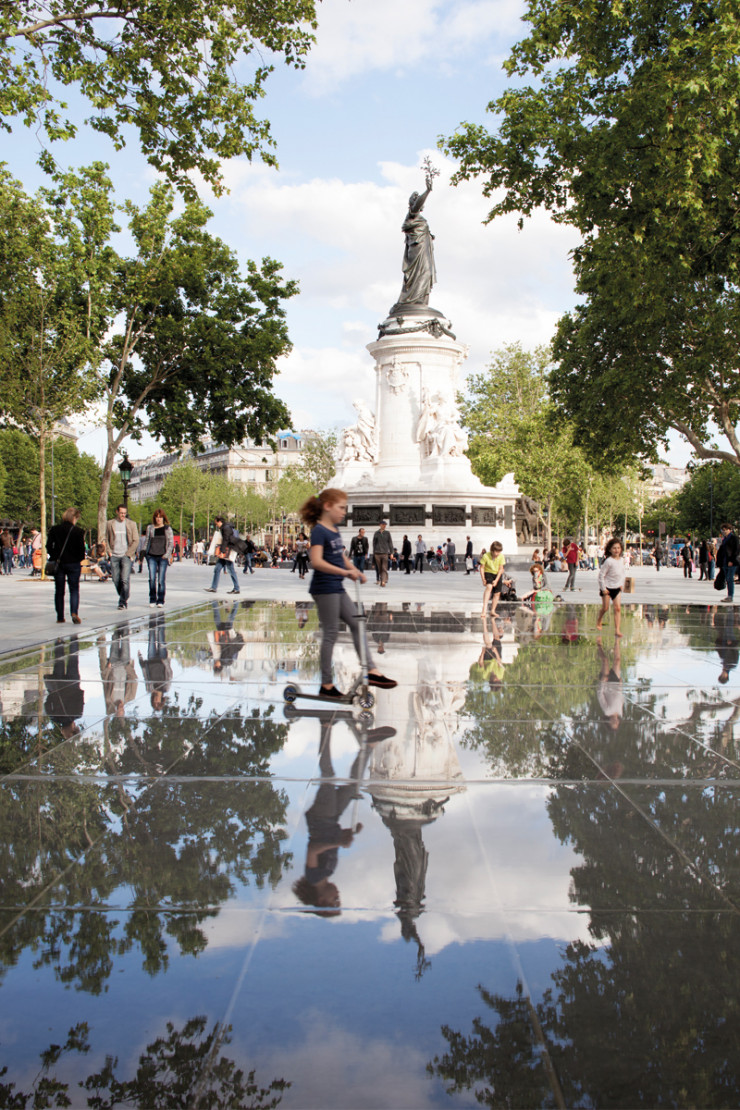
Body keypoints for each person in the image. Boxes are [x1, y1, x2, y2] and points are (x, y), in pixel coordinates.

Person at [301, 488, 397, 698]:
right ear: (327, 507)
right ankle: (326, 685)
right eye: (341, 507)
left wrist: (353, 569)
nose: (345, 512)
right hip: (324, 588)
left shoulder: (334, 529)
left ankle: (371, 671)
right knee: (331, 633)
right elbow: (316, 561)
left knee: (356, 624)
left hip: (336, 586)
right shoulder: (319, 530)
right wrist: (345, 572)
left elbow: (339, 554)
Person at [46, 507, 86, 624]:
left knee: (59, 590)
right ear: (74, 518)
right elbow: (81, 549)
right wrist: (79, 559)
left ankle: (60, 616)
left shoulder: (54, 529)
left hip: (59, 563)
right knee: (74, 589)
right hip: (73, 563)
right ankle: (74, 612)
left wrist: (54, 556)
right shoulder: (78, 531)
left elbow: (48, 546)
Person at [105, 504, 140, 610]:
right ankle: (124, 594)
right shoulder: (110, 524)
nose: (123, 515)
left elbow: (136, 540)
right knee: (116, 579)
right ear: (117, 512)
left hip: (126, 555)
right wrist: (109, 552)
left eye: (124, 513)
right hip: (114, 555)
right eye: (121, 513)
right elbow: (106, 539)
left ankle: (122, 601)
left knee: (125, 579)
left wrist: (129, 553)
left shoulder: (131, 524)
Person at [143, 507, 174, 608]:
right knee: (152, 578)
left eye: (160, 517)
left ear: (163, 518)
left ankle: (160, 600)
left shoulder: (167, 529)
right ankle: (152, 599)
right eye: (156, 517)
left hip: (163, 556)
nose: (158, 519)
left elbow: (170, 543)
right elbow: (147, 541)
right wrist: (144, 553)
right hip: (151, 555)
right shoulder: (150, 528)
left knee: (161, 579)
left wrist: (167, 555)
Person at [596, 537, 626, 636]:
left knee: (617, 608)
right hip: (607, 587)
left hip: (617, 587)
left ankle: (617, 630)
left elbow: (622, 573)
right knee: (605, 608)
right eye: (614, 548)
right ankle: (599, 619)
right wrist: (603, 588)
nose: (616, 550)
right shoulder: (608, 561)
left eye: (618, 548)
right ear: (610, 550)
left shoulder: (622, 560)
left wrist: (622, 584)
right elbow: (601, 575)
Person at [204, 516, 241, 594]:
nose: (216, 524)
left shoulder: (225, 528)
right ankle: (214, 587)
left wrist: (222, 551)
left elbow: (226, 540)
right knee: (217, 569)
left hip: (226, 552)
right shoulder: (226, 527)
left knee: (231, 569)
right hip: (226, 551)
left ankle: (237, 588)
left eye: (216, 523)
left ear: (219, 521)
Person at [717, 523, 739, 603]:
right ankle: (729, 595)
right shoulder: (724, 539)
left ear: (730, 530)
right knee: (727, 579)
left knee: (730, 579)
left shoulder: (734, 538)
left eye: (725, 530)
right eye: (723, 530)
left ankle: (730, 596)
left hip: (731, 562)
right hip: (725, 562)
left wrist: (731, 560)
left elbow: (736, 550)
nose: (724, 531)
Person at [372, 520, 394, 588]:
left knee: (384, 567)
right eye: (383, 524)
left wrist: (391, 553)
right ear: (380, 525)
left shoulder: (387, 533)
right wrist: (374, 552)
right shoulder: (376, 533)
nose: (384, 526)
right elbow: (374, 543)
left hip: (385, 553)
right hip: (377, 553)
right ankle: (383, 579)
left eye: (385, 525)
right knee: (380, 568)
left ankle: (383, 581)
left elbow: (390, 543)